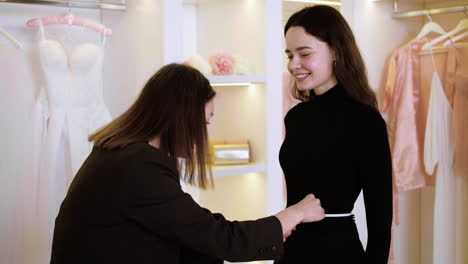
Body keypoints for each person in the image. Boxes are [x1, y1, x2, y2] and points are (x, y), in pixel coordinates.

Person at [49, 63, 325, 264]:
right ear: (182, 117)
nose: (202, 136)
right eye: (204, 122)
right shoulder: (139, 166)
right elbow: (216, 236)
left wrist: (267, 232)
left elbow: (195, 229)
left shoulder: (117, 152)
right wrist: (293, 214)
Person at [277, 5, 392, 264]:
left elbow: (380, 219)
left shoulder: (365, 121)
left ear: (336, 51)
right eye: (289, 55)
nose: (293, 65)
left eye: (304, 54)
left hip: (337, 253)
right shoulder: (296, 117)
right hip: (289, 252)